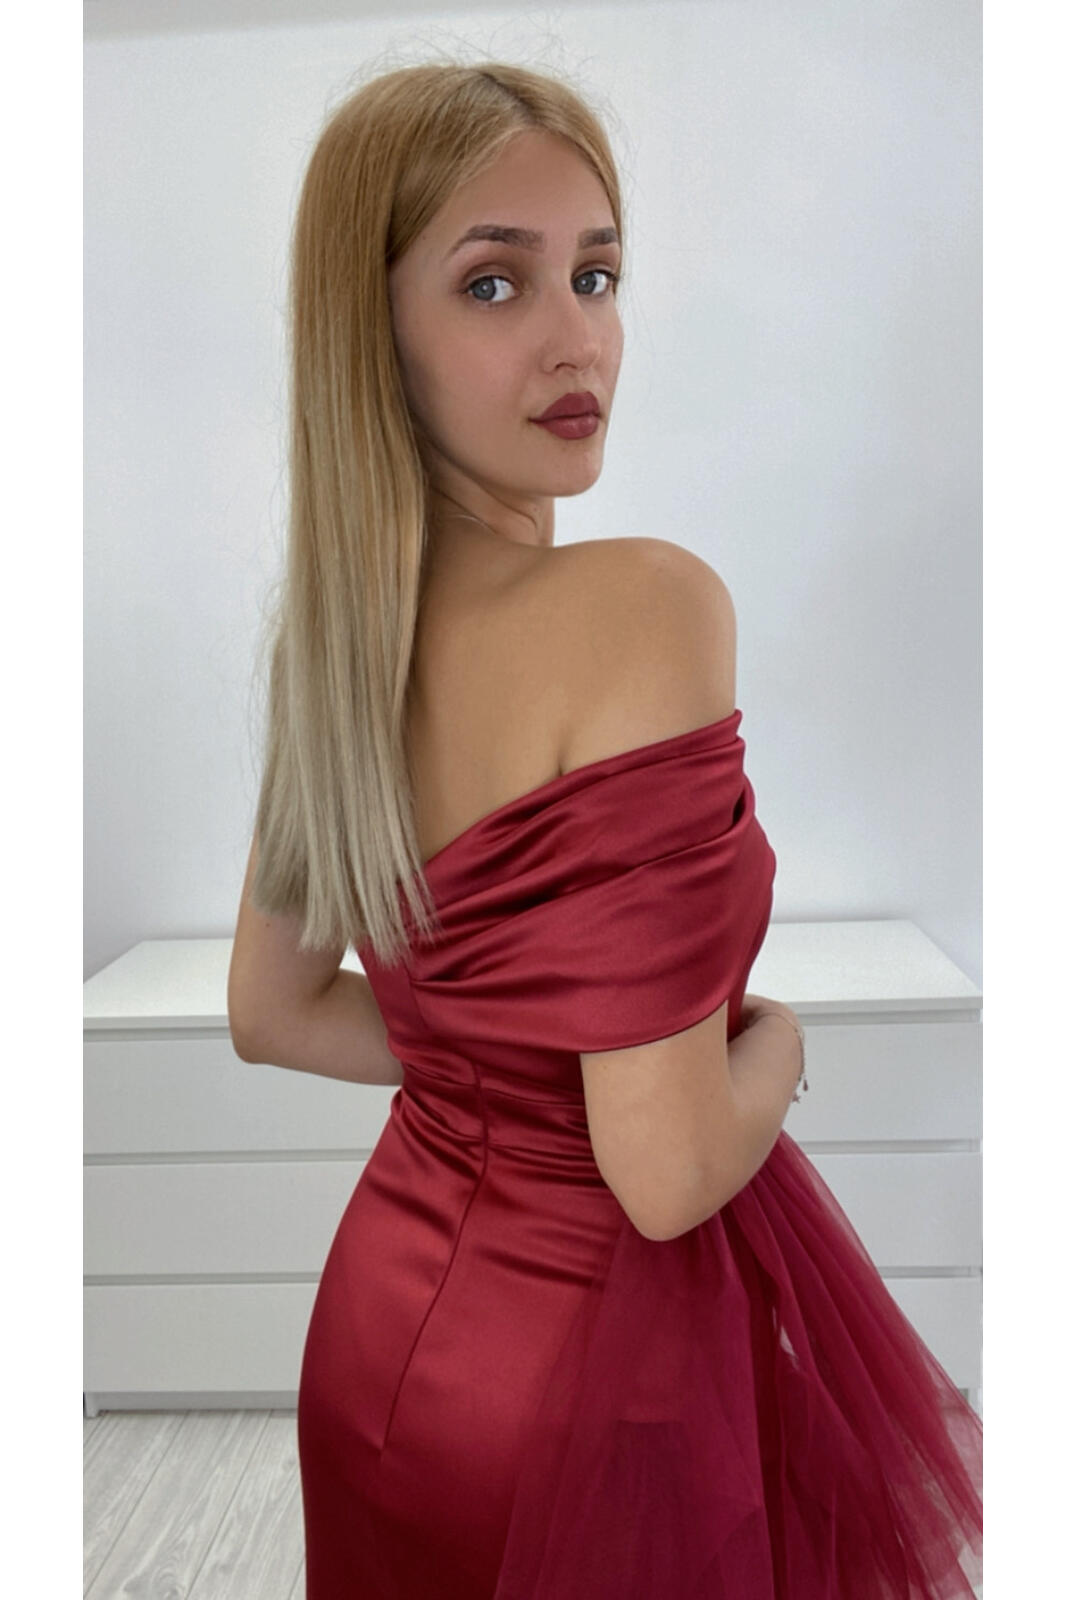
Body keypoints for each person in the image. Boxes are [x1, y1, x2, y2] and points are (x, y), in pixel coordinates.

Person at [227, 59, 982, 1600]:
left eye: (597, 273)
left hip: (382, 1338)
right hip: (585, 1387)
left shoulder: (340, 642)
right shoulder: (643, 605)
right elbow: (669, 1171)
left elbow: (274, 1011)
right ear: (372, 329)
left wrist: (492, 1079)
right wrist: (777, 1045)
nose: (578, 338)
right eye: (494, 282)